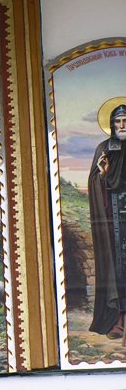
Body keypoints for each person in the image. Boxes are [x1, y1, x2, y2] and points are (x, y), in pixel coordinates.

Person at [88, 103, 126, 339]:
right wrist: (103, 175)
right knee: (118, 268)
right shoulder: (104, 148)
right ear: (111, 124)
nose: (122, 125)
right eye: (118, 121)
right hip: (114, 219)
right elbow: (94, 182)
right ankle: (118, 321)